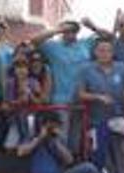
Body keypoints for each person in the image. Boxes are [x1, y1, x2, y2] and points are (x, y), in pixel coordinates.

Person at [32, 20, 94, 150]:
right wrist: (58, 29)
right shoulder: (53, 47)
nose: (70, 33)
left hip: (80, 100)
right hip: (61, 102)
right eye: (67, 30)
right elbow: (34, 40)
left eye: (73, 30)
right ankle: (60, 168)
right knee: (61, 139)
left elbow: (108, 37)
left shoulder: (85, 44)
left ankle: (73, 167)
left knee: (76, 140)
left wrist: (92, 26)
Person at [78, 38, 124, 173]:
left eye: (108, 50)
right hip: (97, 122)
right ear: (95, 52)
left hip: (118, 119)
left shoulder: (121, 67)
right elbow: (81, 94)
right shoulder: (86, 69)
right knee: (102, 160)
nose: (104, 53)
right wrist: (98, 97)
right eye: (101, 50)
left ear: (112, 52)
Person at [3, 57, 44, 150]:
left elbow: (40, 102)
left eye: (24, 67)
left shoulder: (34, 82)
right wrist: (18, 101)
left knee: (29, 143)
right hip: (15, 119)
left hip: (31, 119)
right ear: (14, 70)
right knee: (9, 146)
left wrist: (30, 94)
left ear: (28, 69)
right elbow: (7, 103)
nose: (21, 70)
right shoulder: (10, 83)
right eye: (18, 67)